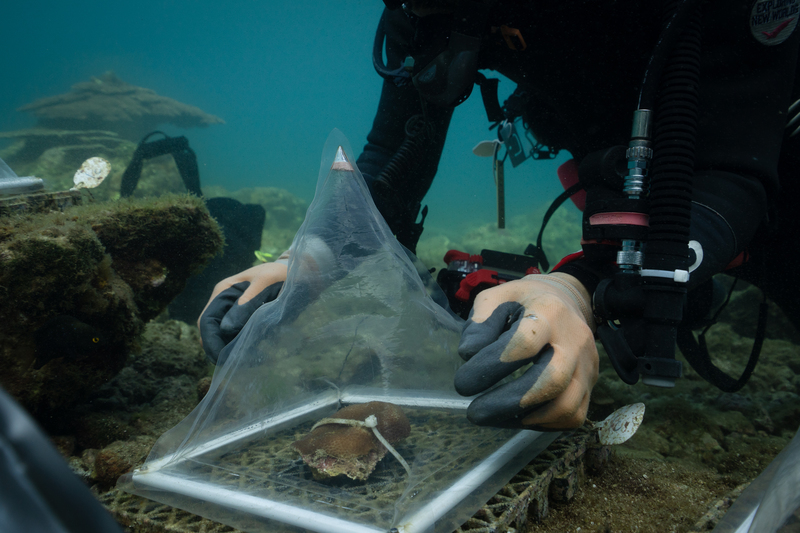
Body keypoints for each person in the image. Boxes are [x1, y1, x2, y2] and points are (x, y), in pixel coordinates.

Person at [200, 0, 800, 431]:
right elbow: (397, 152)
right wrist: (313, 253)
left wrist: (576, 288)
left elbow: (731, 176)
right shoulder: (438, 11)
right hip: (640, 203)